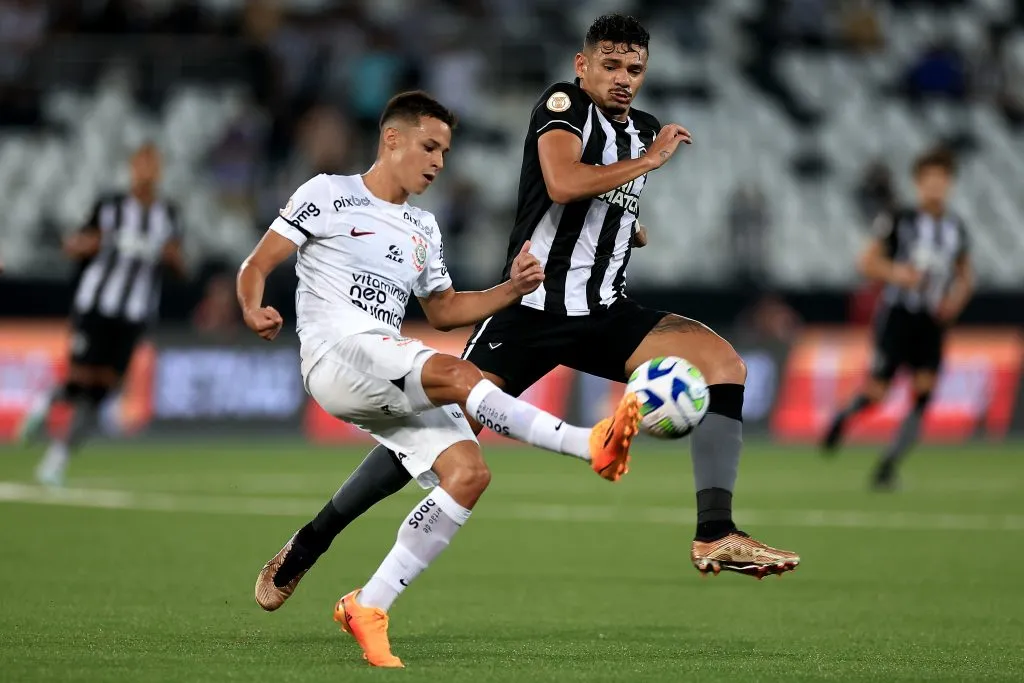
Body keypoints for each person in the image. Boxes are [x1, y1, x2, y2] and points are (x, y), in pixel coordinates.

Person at [252, 14, 800, 606]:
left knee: (725, 364)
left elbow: (606, 206)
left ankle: (715, 533)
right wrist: (648, 163)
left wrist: (627, 224)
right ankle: (310, 543)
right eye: (610, 65)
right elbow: (563, 182)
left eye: (634, 69)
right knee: (434, 432)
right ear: (582, 65)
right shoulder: (563, 105)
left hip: (604, 313)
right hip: (531, 313)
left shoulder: (640, 128)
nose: (623, 78)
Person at [239, 91, 641, 668]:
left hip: (383, 361)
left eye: (446, 152)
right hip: (333, 354)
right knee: (458, 372)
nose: (438, 162)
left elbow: (444, 309)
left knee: (469, 473)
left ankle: (368, 605)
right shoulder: (327, 193)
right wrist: (253, 307)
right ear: (392, 139)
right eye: (429, 146)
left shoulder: (423, 227)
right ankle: (586, 444)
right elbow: (257, 264)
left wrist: (511, 290)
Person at [19, 143, 185, 485]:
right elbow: (75, 244)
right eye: (142, 164)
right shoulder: (110, 207)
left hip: (134, 313)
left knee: (103, 390)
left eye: (154, 164)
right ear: (132, 168)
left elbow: (181, 265)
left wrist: (172, 259)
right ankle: (45, 404)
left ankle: (56, 459)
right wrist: (90, 244)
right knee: (81, 379)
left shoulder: (167, 214)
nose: (148, 171)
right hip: (96, 306)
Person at [822, 147, 973, 488]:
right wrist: (898, 274)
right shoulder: (900, 219)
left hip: (932, 321)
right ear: (919, 183)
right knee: (878, 392)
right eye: (929, 180)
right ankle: (844, 418)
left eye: (942, 180)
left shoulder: (956, 227)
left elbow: (966, 275)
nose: (936, 186)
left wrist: (955, 303)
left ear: (949, 184)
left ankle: (887, 467)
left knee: (924, 392)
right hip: (898, 316)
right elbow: (866, 262)